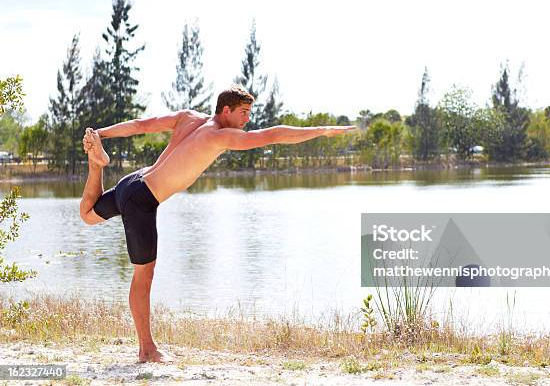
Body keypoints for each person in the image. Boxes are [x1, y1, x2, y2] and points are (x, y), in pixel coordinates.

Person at [80, 85, 354, 363]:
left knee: (88, 215)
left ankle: (97, 164)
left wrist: (100, 133)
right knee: (144, 276)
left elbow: (141, 125)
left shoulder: (188, 117)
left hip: (134, 181)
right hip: (142, 199)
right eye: (243, 113)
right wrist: (320, 130)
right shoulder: (220, 137)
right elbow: (273, 135)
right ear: (226, 110)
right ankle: (147, 349)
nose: (247, 120)